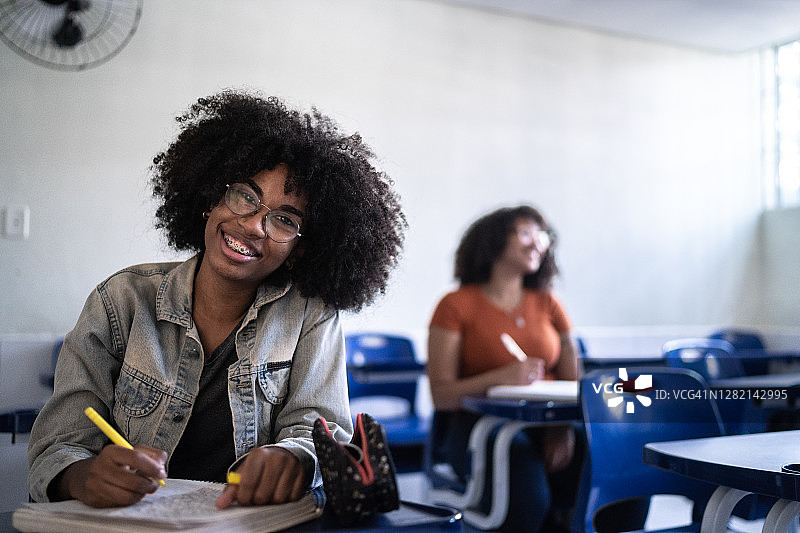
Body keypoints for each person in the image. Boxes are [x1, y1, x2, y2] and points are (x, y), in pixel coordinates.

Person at [27, 90, 406, 510]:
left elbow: (319, 430)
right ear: (211, 198)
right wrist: (82, 477)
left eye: (283, 219)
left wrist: (294, 459)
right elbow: (57, 449)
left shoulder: (310, 316)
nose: (255, 226)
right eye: (245, 196)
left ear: (300, 249)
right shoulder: (120, 302)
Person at [426, 205, 580, 532]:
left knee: (609, 465)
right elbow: (441, 395)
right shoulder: (454, 305)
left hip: (550, 423)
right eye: (525, 232)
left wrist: (561, 427)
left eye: (542, 236)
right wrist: (501, 378)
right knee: (528, 499)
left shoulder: (550, 304)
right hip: (478, 427)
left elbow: (573, 382)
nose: (537, 243)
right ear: (494, 241)